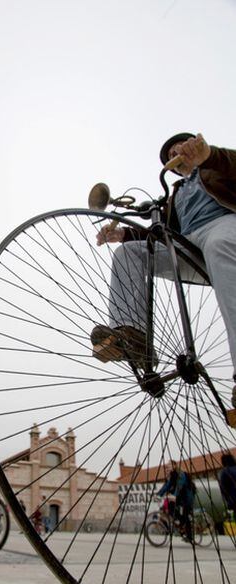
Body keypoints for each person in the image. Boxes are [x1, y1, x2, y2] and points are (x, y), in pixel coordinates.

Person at [90, 133, 236, 407]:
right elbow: (166, 232)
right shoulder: (177, 193)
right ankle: (132, 337)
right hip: (189, 244)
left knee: (218, 244)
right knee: (129, 253)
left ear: (195, 143)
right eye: (170, 157)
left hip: (225, 225)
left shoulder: (217, 164)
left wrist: (210, 156)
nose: (174, 156)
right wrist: (123, 235)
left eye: (178, 148)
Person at [157, 461, 196, 542]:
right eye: (167, 466)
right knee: (171, 507)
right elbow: (167, 485)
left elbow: (180, 485)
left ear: (174, 465)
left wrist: (174, 495)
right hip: (180, 497)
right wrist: (158, 494)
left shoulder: (181, 474)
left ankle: (189, 537)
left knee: (185, 515)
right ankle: (180, 524)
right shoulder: (172, 475)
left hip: (187, 497)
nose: (167, 467)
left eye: (169, 465)